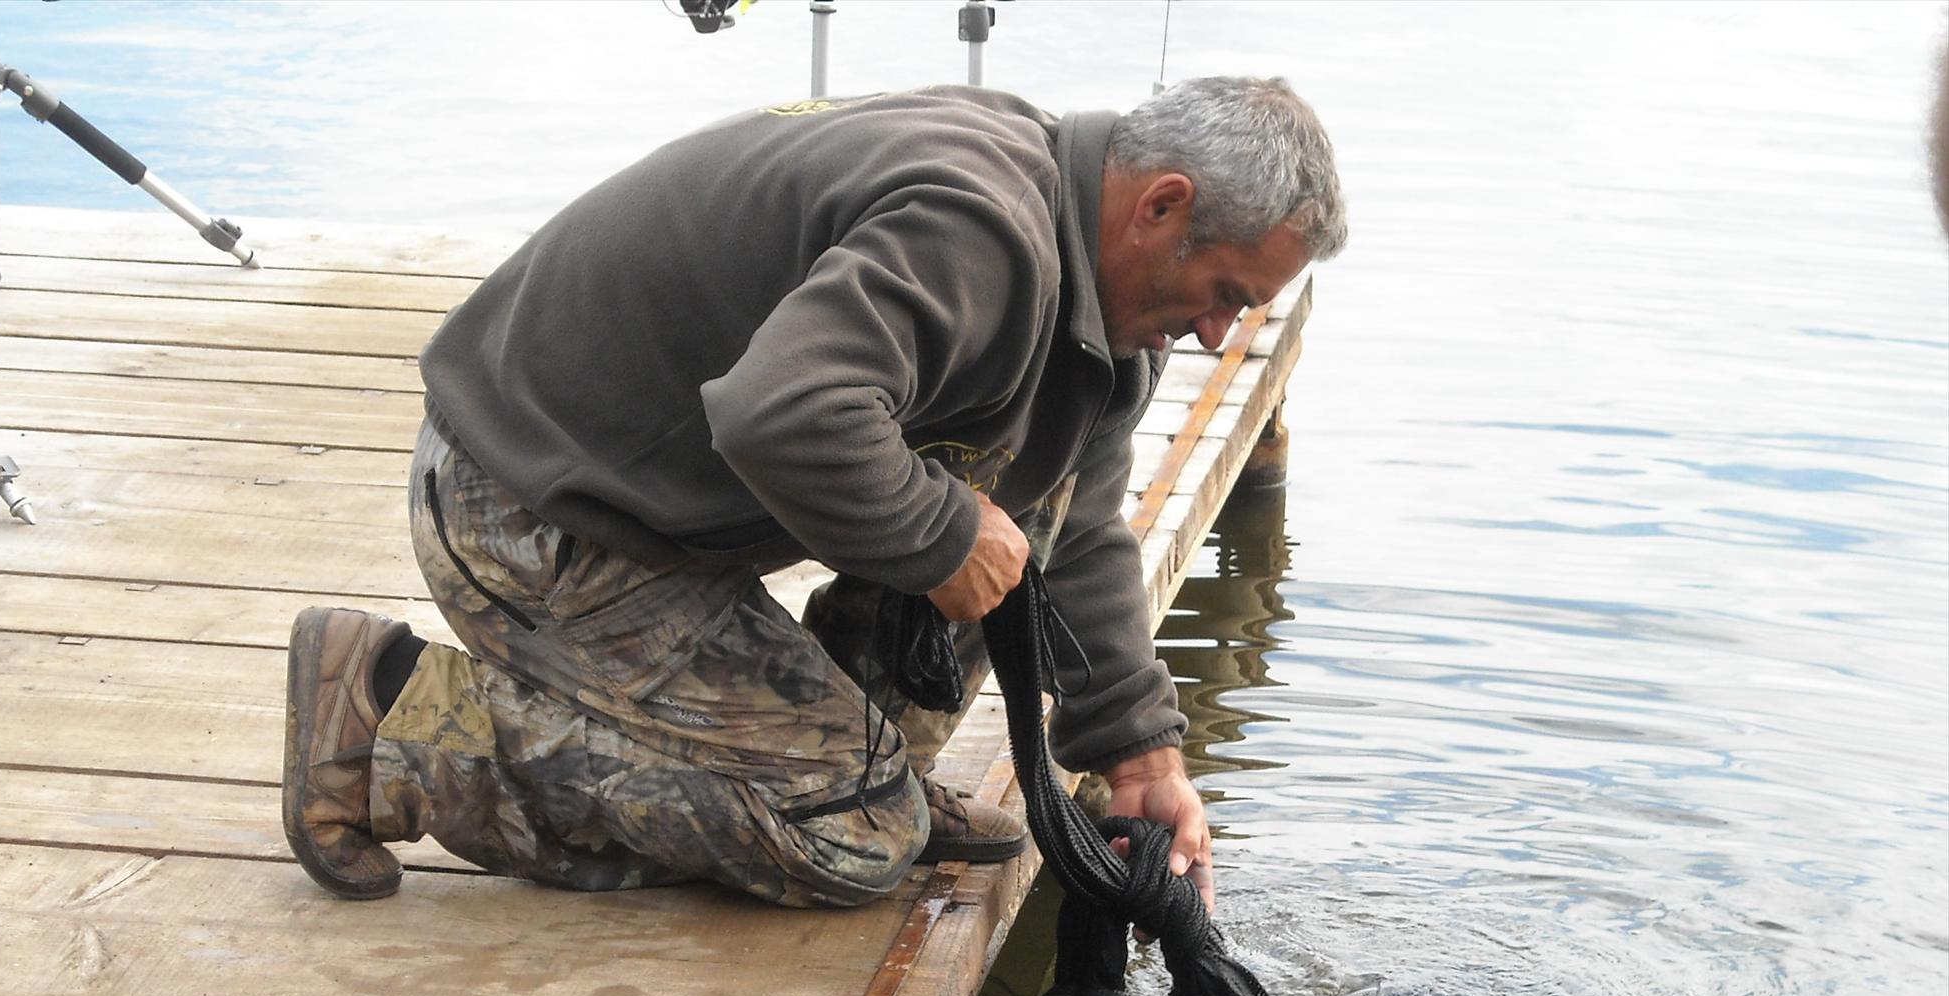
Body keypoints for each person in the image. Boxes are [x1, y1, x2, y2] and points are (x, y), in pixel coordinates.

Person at [281, 76, 1346, 911]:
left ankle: (848, 757)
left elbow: (1079, 529)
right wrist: (940, 533)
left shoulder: (1101, 295)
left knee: (1018, 513)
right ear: (1162, 206)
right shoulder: (980, 230)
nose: (1219, 337)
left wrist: (1139, 751)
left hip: (661, 508)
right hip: (528, 507)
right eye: (1225, 298)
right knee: (852, 843)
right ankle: (391, 727)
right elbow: (779, 413)